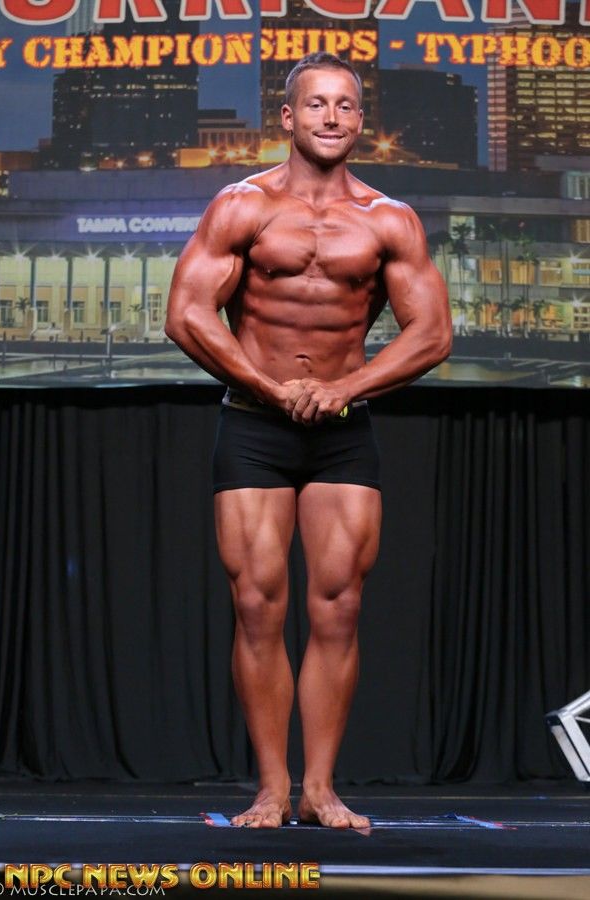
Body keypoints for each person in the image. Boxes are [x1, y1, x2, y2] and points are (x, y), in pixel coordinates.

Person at [165, 52, 451, 829]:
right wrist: (269, 386)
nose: (332, 116)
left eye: (346, 105)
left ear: (361, 121)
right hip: (254, 425)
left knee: (339, 606)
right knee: (258, 604)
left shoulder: (389, 219)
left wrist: (344, 389)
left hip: (343, 431)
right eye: (317, 104)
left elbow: (432, 333)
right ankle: (271, 789)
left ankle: (320, 789)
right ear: (288, 117)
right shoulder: (242, 206)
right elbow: (186, 313)